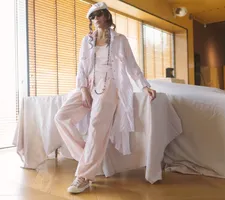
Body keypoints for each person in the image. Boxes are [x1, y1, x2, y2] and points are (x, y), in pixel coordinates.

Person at [54, 2, 156, 194]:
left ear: (107, 17)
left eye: (99, 15)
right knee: (61, 117)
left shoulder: (120, 40)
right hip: (89, 84)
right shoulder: (87, 41)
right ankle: (88, 157)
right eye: (92, 17)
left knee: (96, 125)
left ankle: (83, 176)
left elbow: (131, 66)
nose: (96, 19)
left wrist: (145, 86)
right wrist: (83, 89)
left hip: (110, 85)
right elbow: (81, 67)